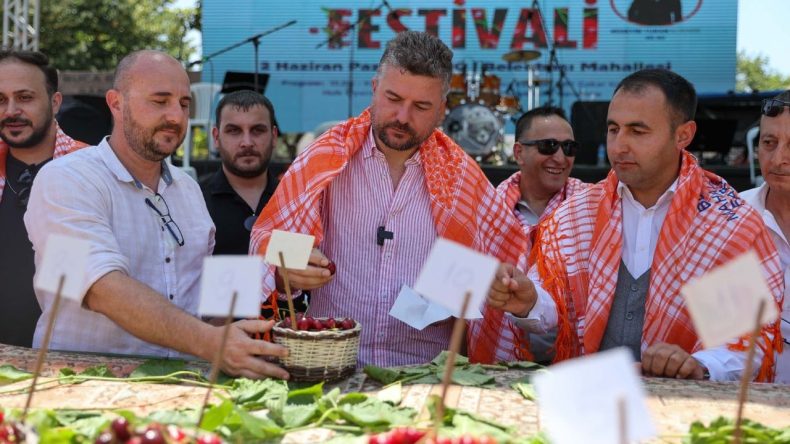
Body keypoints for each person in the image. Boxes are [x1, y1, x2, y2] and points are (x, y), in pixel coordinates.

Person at [481, 69, 784, 382]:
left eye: (638, 132)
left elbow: (744, 340)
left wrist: (699, 364)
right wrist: (529, 301)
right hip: (589, 397)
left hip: (685, 405)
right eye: (613, 129)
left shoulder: (724, 222)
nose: (619, 146)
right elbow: (554, 309)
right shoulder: (577, 213)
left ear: (683, 135)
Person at [249, 31, 526, 367]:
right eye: (393, 98)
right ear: (374, 88)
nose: (402, 117)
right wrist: (288, 270)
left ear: (442, 110)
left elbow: (501, 271)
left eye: (421, 106)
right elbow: (269, 241)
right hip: (330, 362)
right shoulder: (324, 158)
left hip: (427, 371)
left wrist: (494, 283)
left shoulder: (464, 178)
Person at [25, 50, 288, 379]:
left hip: (179, 384)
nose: (176, 116)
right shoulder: (64, 179)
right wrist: (211, 343)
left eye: (184, 103)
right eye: (160, 101)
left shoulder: (188, 189)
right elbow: (99, 288)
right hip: (82, 383)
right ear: (116, 103)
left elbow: (206, 295)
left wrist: (276, 276)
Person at [0, 50, 87, 347]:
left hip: (68, 357)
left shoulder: (92, 170)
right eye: (1, 100)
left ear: (55, 102)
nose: (11, 111)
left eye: (25, 98)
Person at [495, 106, 587, 363]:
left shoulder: (591, 207)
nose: (560, 158)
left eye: (569, 148)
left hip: (574, 363)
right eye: (549, 146)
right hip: (499, 364)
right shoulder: (486, 208)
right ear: (519, 153)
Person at [739, 90, 790, 384]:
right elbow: (715, 331)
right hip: (744, 393)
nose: (779, 158)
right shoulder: (730, 217)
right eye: (769, 143)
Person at [200, 90, 280, 255]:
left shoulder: (295, 202)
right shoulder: (195, 201)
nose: (247, 142)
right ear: (216, 137)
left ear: (274, 136)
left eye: (257, 130)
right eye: (234, 131)